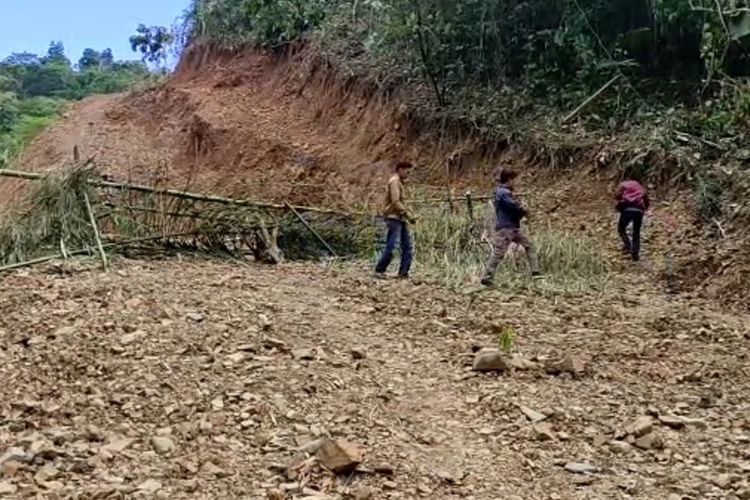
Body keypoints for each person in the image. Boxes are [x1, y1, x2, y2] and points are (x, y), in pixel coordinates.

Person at [481, 168, 540, 286]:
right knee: (499, 252)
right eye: (515, 180)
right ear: (509, 179)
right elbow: (512, 206)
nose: (517, 182)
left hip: (512, 227)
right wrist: (523, 210)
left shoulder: (502, 192)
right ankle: (487, 276)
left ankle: (536, 272)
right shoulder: (503, 193)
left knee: (529, 246)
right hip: (507, 227)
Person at [374, 161, 415, 279]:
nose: (408, 174)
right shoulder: (394, 182)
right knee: (392, 246)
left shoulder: (399, 183)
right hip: (394, 218)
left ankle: (403, 272)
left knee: (407, 246)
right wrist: (408, 215)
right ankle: (379, 270)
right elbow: (396, 202)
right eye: (407, 171)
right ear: (400, 170)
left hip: (399, 217)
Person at [615, 177, 650, 261]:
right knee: (636, 232)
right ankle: (635, 254)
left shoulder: (623, 184)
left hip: (627, 209)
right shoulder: (639, 186)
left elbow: (618, 196)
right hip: (639, 210)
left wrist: (618, 205)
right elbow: (645, 197)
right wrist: (646, 207)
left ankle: (627, 246)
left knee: (621, 229)